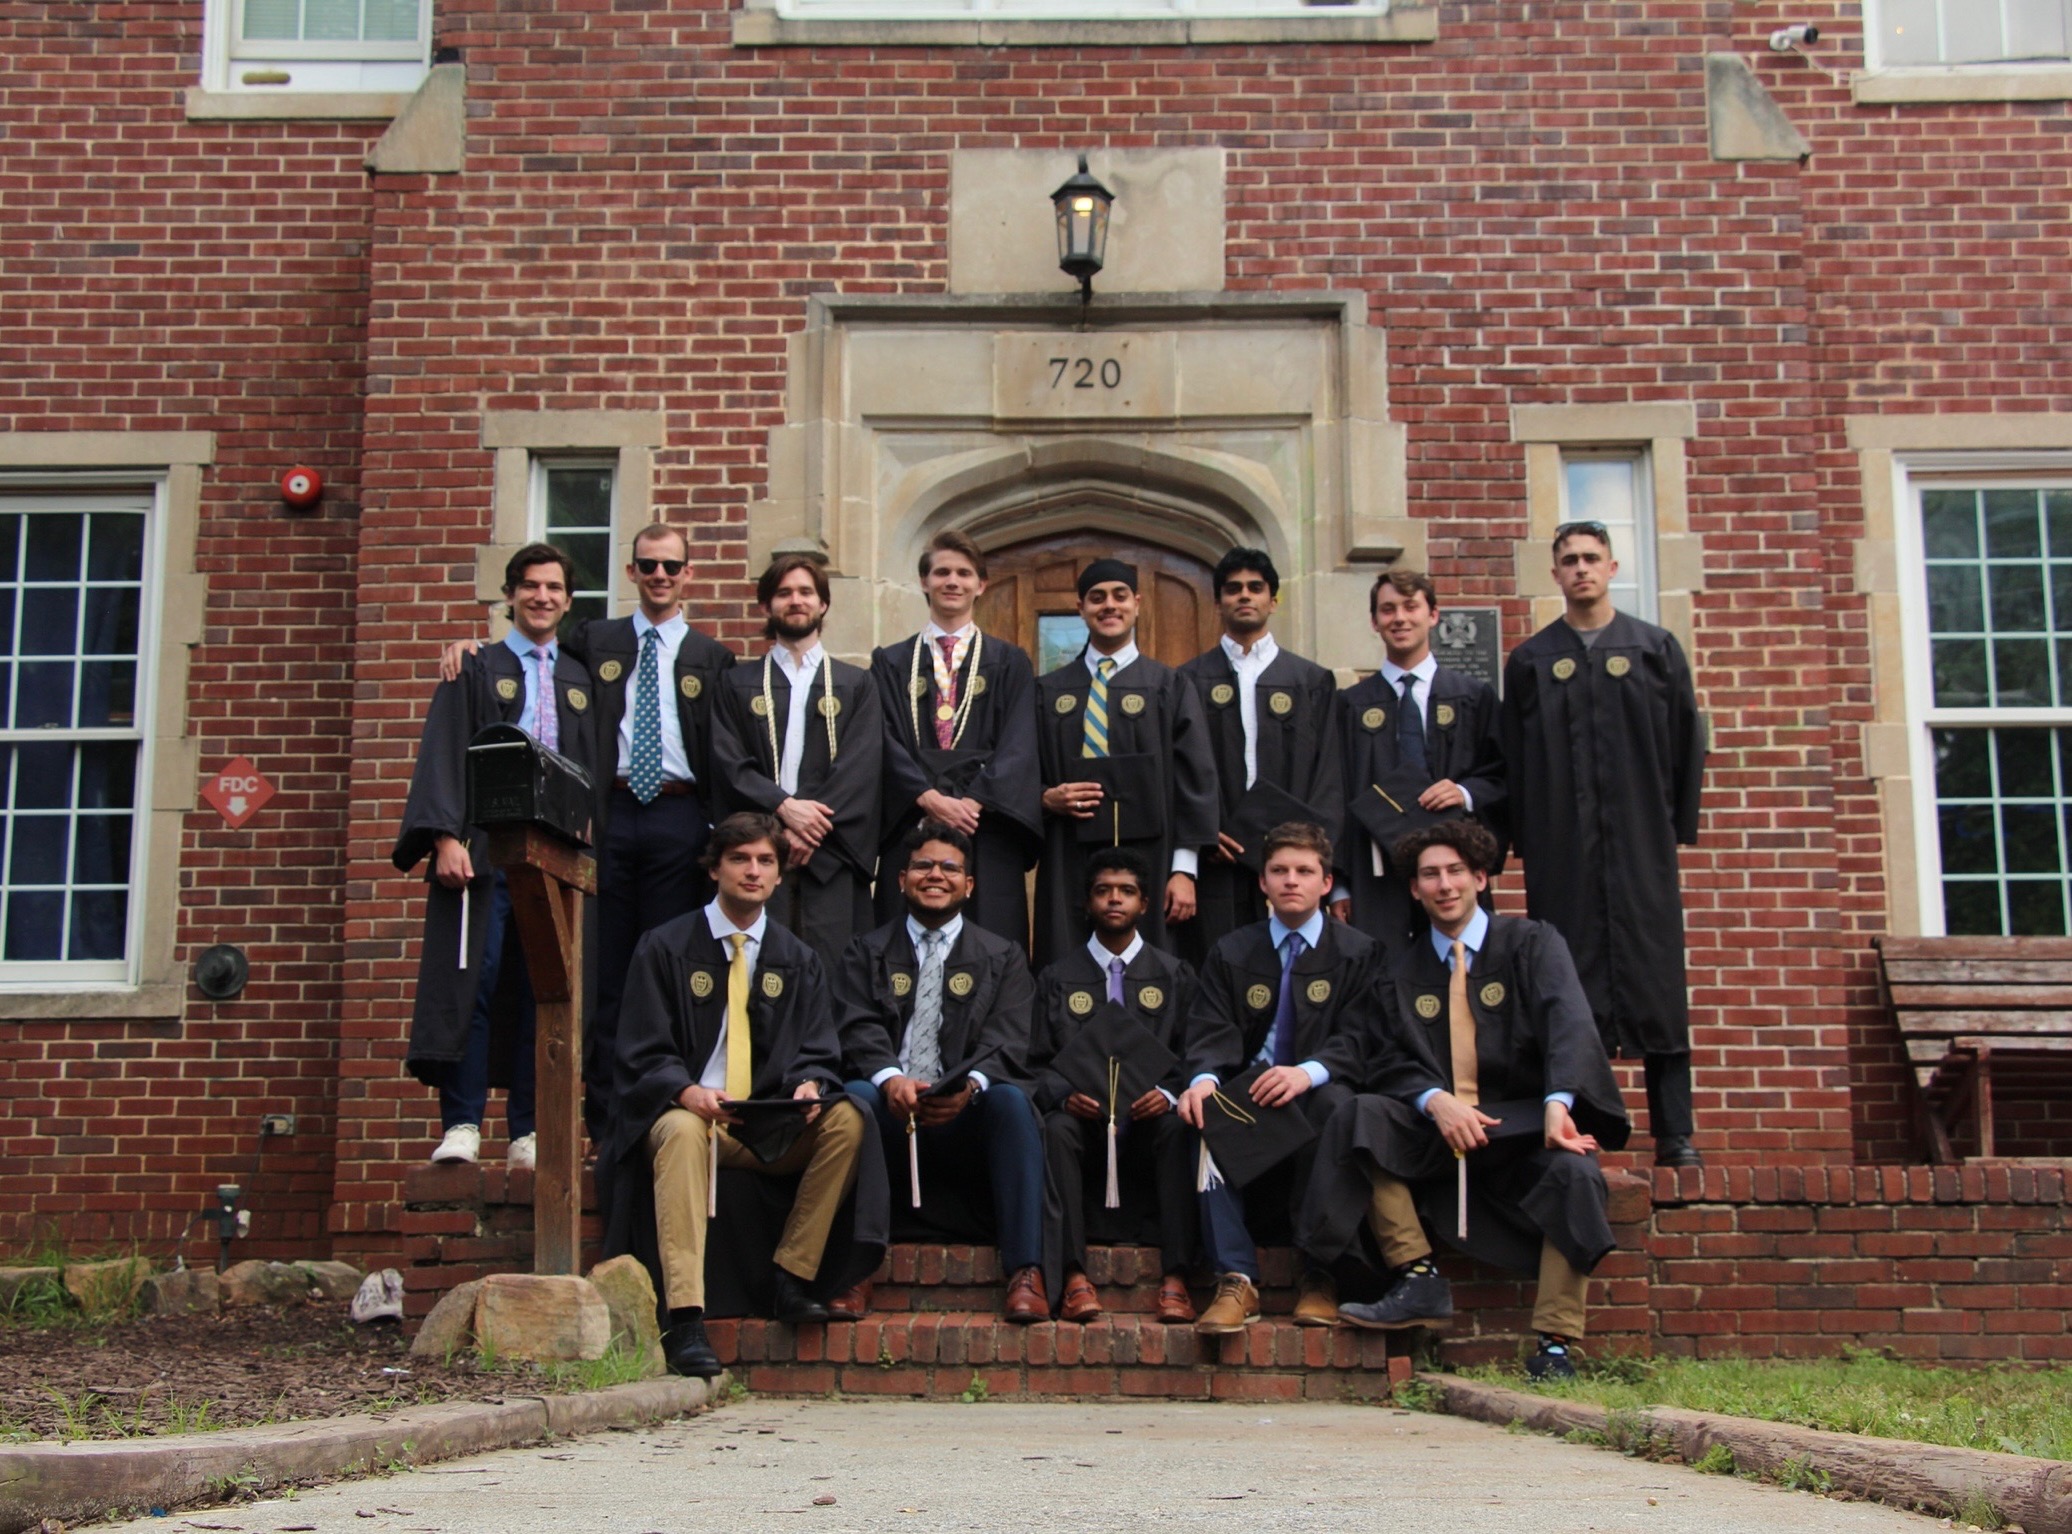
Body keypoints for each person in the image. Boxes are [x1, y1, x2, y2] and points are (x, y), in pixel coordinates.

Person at [431, 522, 736, 1144]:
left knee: (668, 966)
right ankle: (604, 1122)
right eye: (647, 565)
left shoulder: (714, 656)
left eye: (670, 566)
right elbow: (529, 645)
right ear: (630, 572)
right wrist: (472, 648)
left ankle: (663, 1110)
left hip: (680, 819)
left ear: (688, 573)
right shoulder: (596, 641)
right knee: (598, 970)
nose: (659, 576)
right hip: (608, 814)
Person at [1300, 820, 1631, 1381]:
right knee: (1358, 1115)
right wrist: (1436, 1101)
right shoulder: (1399, 971)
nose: (1444, 884)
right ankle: (1417, 1275)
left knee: (1576, 1174)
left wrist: (1558, 1103)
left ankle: (1554, 1344)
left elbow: (1568, 1021)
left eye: (1456, 871)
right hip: (1439, 1135)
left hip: (1522, 1125)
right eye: (1430, 875)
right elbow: (1386, 1057)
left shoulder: (1531, 944)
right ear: (1414, 889)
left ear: (1480, 877)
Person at [600, 812, 884, 1379]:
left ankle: (790, 1275)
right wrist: (686, 1091)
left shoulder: (797, 958)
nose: (753, 871)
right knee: (682, 1130)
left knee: (849, 1118)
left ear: (779, 875)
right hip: (686, 1116)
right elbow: (639, 1048)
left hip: (764, 1124)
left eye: (765, 861)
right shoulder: (665, 946)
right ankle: (686, 1316)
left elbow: (818, 1048)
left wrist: (809, 1083)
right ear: (714, 869)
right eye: (739, 859)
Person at [1501, 523, 1706, 1167]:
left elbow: (1686, 742)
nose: (1581, 568)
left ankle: (1675, 1133)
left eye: (1592, 558)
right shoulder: (1532, 661)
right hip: (1562, 851)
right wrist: (1525, 839)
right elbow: (1515, 759)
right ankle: (1582, 1127)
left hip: (1641, 846)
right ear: (1555, 574)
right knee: (1566, 984)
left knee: (1657, 981)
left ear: (1612, 567)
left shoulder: (1653, 649)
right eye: (1569, 560)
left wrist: (1671, 828)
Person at [393, 543, 600, 1170]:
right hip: (482, 854)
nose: (542, 597)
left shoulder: (580, 679)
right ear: (509, 595)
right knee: (472, 983)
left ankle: (527, 1131)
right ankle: (461, 1122)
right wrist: (444, 838)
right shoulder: (476, 668)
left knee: (542, 990)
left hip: (554, 859)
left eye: (554, 588)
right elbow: (444, 749)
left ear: (569, 600)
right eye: (530, 585)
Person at [835, 822, 1054, 1322]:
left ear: (969, 885)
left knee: (1011, 1102)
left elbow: (1009, 1038)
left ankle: (1026, 1270)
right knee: (853, 1099)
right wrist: (891, 1078)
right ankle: (853, 1269)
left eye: (950, 868)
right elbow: (856, 1024)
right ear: (901, 879)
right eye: (923, 866)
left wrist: (969, 1088)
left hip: (964, 1116)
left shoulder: (1002, 956)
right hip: (890, 1111)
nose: (936, 875)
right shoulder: (865, 951)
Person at [1177, 821, 1379, 1335]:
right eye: (1279, 870)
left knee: (1337, 1105)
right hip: (1252, 1097)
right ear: (1262, 881)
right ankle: (1236, 1278)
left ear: (1326, 882)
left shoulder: (1358, 952)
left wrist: (1306, 1073)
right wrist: (1203, 1078)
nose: (1292, 880)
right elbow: (1210, 1028)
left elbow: (1362, 1036)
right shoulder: (1232, 951)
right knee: (1206, 1112)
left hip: (1318, 1092)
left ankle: (1320, 1273)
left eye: (1304, 871)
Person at [1029, 847, 1201, 1325]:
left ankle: (1177, 1277)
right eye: (1103, 891)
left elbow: (1194, 1055)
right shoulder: (1057, 978)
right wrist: (1064, 1095)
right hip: (1084, 1126)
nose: (1114, 899)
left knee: (1177, 1127)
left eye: (1126, 891)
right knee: (1056, 1129)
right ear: (1088, 902)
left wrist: (1167, 1094)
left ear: (1144, 903)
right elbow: (1034, 1062)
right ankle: (1072, 1275)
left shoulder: (1174, 975)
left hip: (1148, 1122)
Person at [1033, 560, 1219, 968]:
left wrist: (1184, 870)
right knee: (1067, 961)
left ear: (1137, 603)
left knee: (1151, 966)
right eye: (1096, 598)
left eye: (1120, 596)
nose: (1109, 606)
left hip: (1153, 854)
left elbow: (1195, 780)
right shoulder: (1048, 691)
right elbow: (1023, 770)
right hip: (1068, 852)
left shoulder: (1169, 685)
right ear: (1080, 607)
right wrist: (1046, 798)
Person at [709, 554, 884, 975]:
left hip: (831, 855)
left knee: (833, 973)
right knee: (758, 973)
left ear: (823, 603)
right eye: (784, 593)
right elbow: (728, 762)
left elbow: (860, 768)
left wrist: (809, 829)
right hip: (759, 852)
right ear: (766, 605)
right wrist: (784, 812)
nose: (796, 600)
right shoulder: (736, 683)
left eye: (806, 592)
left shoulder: (856, 683)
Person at [871, 530, 1042, 949]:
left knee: (991, 948)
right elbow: (882, 739)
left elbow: (1019, 743)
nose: (952, 581)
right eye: (942, 572)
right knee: (900, 949)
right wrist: (929, 798)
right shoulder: (891, 662)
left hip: (985, 825)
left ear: (981, 585)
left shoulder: (1009, 662)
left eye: (964, 573)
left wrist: (972, 803)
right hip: (914, 818)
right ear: (924, 581)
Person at [1178, 547, 1343, 964]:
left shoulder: (1310, 680)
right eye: (1233, 589)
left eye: (1255, 588)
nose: (1244, 596)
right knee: (1220, 965)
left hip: (1295, 858)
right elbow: (1178, 771)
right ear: (1218, 602)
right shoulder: (1188, 680)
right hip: (1218, 857)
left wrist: (1314, 850)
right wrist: (1203, 831)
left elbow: (1329, 773)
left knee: (1297, 967)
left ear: (1273, 600)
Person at [1332, 569, 1505, 959]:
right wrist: (1340, 883)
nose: (1400, 618)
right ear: (1375, 622)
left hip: (1452, 866)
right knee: (1382, 971)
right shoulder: (1351, 706)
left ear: (1433, 615)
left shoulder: (1472, 697)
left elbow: (1501, 774)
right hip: (1374, 873)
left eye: (1411, 607)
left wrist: (1464, 792)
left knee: (1460, 966)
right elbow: (1336, 793)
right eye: (1388, 609)